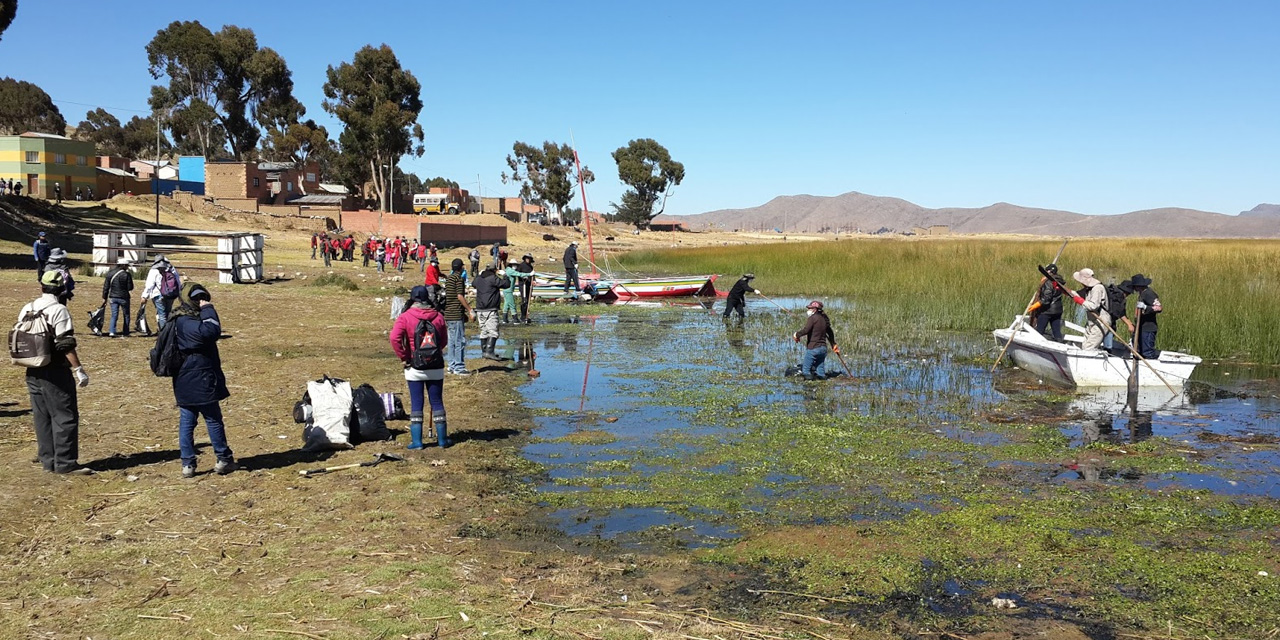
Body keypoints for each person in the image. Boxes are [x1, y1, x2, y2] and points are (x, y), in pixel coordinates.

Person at [20, 271, 93, 475]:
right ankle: (65, 463)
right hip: (55, 370)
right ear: (62, 289)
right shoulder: (59, 310)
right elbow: (65, 344)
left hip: (32, 368)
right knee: (65, 416)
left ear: (41, 286)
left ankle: (47, 460)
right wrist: (79, 370)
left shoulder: (28, 307)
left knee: (41, 416)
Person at [171, 282, 237, 478]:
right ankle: (223, 458)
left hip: (183, 378)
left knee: (187, 421)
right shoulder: (188, 322)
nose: (201, 301)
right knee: (213, 419)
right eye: (197, 298)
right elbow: (211, 332)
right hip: (200, 376)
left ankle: (188, 465)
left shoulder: (177, 318)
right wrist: (208, 309)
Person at [390, 285, 451, 448]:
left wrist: (404, 357)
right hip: (436, 366)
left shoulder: (405, 317)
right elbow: (444, 340)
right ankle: (443, 440)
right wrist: (435, 353)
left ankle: (417, 442)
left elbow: (394, 338)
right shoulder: (438, 316)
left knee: (417, 404)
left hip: (414, 366)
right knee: (437, 402)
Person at [443, 258, 476, 375]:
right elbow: (459, 296)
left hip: (448, 313)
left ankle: (451, 365)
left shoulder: (449, 279)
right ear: (461, 267)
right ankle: (459, 366)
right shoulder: (459, 279)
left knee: (451, 340)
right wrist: (469, 310)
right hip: (456, 313)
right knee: (459, 341)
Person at [793, 300, 839, 381]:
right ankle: (823, 384)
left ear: (815, 309)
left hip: (813, 348)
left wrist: (797, 334)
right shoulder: (824, 319)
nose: (808, 310)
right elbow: (830, 332)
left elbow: (806, 330)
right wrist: (833, 344)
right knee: (820, 371)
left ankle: (808, 390)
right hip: (823, 349)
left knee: (806, 370)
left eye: (810, 308)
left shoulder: (812, 318)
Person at [473, 264, 507, 361]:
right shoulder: (493, 278)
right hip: (490, 308)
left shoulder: (479, 279)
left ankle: (484, 352)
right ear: (495, 270)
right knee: (493, 331)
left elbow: (473, 284)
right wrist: (505, 276)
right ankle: (489, 352)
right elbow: (506, 285)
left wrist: (478, 275)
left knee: (484, 331)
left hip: (480, 308)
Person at [1070, 268, 1110, 351]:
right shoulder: (1088, 288)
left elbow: (1093, 306)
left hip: (1101, 320)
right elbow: (1077, 294)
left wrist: (1080, 301)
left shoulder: (1097, 288)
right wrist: (1067, 291)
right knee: (1085, 345)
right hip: (1092, 320)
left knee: (1089, 348)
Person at [141, 255, 181, 329]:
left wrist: (144, 296)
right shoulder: (172, 269)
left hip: (158, 294)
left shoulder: (154, 270)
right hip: (170, 294)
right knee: (168, 313)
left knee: (162, 314)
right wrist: (179, 292)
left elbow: (150, 284)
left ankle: (163, 332)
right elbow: (177, 281)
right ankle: (167, 330)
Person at [1130, 274, 1162, 359]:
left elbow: (1159, 308)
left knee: (1147, 351)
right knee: (1138, 349)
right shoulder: (1142, 294)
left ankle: (1151, 366)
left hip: (1148, 328)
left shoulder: (1149, 293)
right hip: (1141, 327)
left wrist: (1145, 307)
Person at [101, 257, 135, 337]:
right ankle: (126, 332)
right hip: (124, 297)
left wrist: (104, 298)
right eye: (127, 266)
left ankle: (112, 331)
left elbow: (106, 287)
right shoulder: (127, 274)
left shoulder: (110, 273)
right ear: (123, 265)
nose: (127, 267)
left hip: (113, 297)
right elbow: (130, 287)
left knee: (114, 315)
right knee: (126, 315)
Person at [1034, 263, 1067, 342]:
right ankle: (1059, 345)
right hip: (1058, 310)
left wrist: (1037, 304)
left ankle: (1037, 348)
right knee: (1057, 332)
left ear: (1048, 272)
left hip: (1047, 311)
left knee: (1039, 332)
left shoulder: (1048, 282)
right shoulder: (1059, 281)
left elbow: (1046, 299)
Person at [516, 253, 535, 324]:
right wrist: (523, 277)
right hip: (522, 285)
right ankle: (523, 316)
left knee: (528, 300)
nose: (528, 259)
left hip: (529, 286)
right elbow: (517, 273)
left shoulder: (530, 266)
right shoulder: (521, 266)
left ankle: (526, 315)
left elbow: (533, 275)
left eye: (529, 258)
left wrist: (534, 281)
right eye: (527, 258)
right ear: (524, 258)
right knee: (524, 300)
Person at [501, 258, 521, 324]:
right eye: (514, 265)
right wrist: (529, 274)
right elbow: (519, 274)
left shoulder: (508, 270)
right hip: (508, 290)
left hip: (506, 290)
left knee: (506, 305)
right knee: (512, 305)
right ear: (511, 265)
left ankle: (504, 319)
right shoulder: (510, 271)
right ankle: (515, 319)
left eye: (516, 265)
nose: (515, 266)